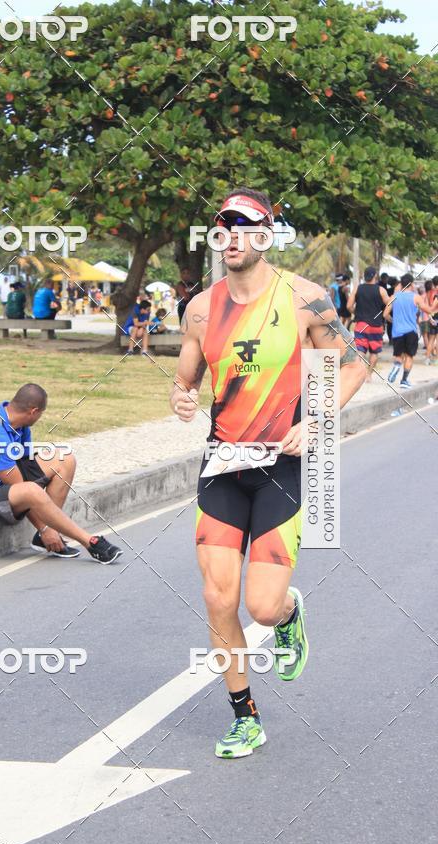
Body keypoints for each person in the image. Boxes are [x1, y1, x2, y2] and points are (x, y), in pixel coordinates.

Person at [171, 186, 365, 759]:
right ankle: (244, 716)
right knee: (217, 597)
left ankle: (288, 612)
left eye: (243, 225)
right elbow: (185, 381)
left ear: (265, 235)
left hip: (283, 467)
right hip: (222, 467)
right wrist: (181, 399)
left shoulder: (306, 300)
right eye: (222, 226)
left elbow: (352, 366)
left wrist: (320, 418)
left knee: (259, 605)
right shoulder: (200, 309)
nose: (230, 235)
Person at [0, 383, 122, 563]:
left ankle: (46, 533)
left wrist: (45, 527)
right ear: (33, 411)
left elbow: (24, 467)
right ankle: (90, 542)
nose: (40, 417)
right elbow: (21, 488)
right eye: (41, 413)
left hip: (2, 487)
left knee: (64, 460)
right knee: (31, 490)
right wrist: (46, 529)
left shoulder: (20, 427)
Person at [385, 273, 430, 388]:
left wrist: (394, 321)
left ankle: (396, 366)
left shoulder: (394, 296)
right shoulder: (416, 297)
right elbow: (428, 310)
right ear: (411, 284)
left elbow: (385, 314)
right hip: (411, 331)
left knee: (398, 356)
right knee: (409, 356)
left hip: (397, 331)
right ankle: (404, 380)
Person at [347, 266, 389, 381]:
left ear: (364, 276)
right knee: (374, 352)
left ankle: (357, 375)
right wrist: (385, 314)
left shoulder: (357, 289)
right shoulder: (381, 290)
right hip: (376, 325)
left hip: (361, 324)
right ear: (375, 276)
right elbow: (390, 303)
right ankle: (369, 375)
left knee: (360, 350)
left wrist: (356, 313)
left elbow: (349, 306)